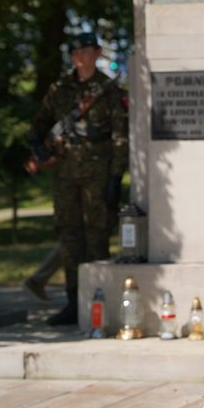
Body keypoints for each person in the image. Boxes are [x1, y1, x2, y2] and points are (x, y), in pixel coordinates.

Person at [28, 32, 128, 326]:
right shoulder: (60, 89)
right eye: (74, 52)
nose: (79, 57)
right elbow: (41, 122)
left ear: (96, 53)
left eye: (84, 51)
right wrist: (36, 144)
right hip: (65, 175)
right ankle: (73, 303)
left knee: (97, 237)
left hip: (98, 175)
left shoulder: (109, 91)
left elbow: (120, 137)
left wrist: (115, 177)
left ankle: (98, 301)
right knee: (70, 238)